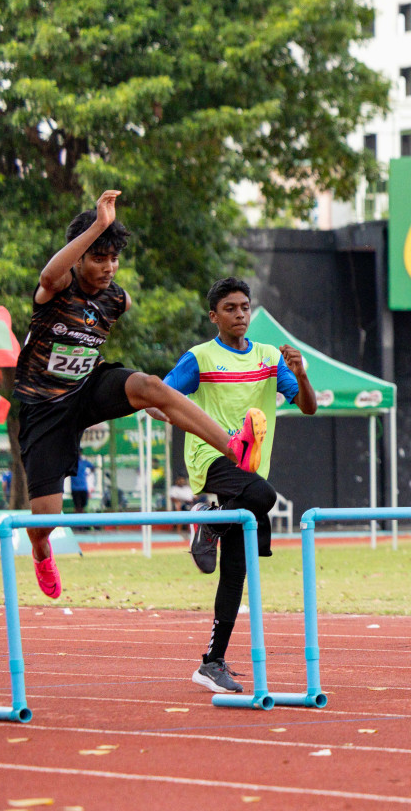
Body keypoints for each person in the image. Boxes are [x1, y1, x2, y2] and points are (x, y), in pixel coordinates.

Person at [12, 192, 266, 600]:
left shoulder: (117, 300)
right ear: (78, 259)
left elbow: (112, 315)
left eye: (114, 259)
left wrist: (156, 404)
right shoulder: (58, 287)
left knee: (149, 385)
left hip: (87, 387)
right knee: (45, 519)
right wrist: (96, 225)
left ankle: (234, 446)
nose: (109, 268)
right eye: (99, 258)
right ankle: (41, 547)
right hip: (45, 408)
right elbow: (46, 276)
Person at [154, 277, 316, 694]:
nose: (240, 314)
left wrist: (300, 373)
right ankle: (208, 522)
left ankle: (212, 663)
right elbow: (159, 402)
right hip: (212, 458)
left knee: (236, 570)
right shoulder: (200, 358)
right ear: (214, 316)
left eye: (244, 307)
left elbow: (308, 407)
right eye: (230, 308)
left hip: (248, 470)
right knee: (265, 497)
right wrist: (193, 423)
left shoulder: (268, 357)